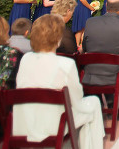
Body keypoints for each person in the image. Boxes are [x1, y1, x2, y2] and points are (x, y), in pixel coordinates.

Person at [14, 14, 105, 149]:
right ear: (58, 38)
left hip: (25, 121)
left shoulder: (25, 59)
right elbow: (77, 100)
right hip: (54, 123)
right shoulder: (65, 64)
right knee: (93, 103)